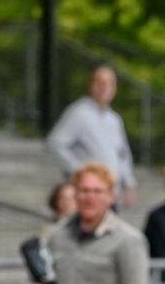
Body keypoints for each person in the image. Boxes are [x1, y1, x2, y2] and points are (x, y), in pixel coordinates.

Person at [47, 66, 136, 208]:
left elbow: (123, 154)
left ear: (115, 88)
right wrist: (80, 172)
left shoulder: (114, 119)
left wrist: (129, 183)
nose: (104, 87)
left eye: (109, 83)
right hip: (88, 195)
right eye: (100, 82)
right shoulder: (78, 113)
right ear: (90, 85)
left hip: (111, 194)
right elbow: (56, 143)